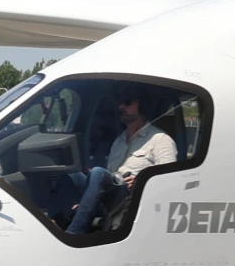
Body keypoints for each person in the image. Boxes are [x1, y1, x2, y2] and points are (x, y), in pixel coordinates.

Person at [68, 88, 179, 234]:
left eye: (127, 102)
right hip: (111, 197)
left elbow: (168, 179)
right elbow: (111, 175)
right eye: (120, 103)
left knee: (98, 173)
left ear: (142, 106)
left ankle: (74, 233)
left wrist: (142, 180)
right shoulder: (118, 141)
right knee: (71, 175)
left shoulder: (161, 140)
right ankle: (58, 221)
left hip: (130, 200)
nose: (121, 107)